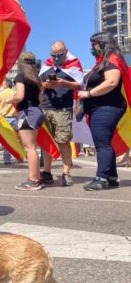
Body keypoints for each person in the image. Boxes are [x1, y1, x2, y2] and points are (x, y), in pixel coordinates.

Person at [78, 32, 129, 190]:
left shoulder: (111, 60)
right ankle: (111, 177)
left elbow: (112, 82)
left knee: (102, 144)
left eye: (94, 44)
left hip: (106, 107)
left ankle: (102, 178)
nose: (92, 48)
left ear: (102, 43)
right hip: (101, 107)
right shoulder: (104, 62)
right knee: (105, 143)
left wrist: (88, 93)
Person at [39, 41, 83, 186]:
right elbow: (38, 84)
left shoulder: (73, 65)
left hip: (63, 109)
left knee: (63, 141)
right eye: (53, 55)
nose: (56, 58)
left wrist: (64, 83)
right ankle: (47, 171)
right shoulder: (46, 66)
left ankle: (66, 172)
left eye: (59, 55)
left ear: (66, 52)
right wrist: (44, 85)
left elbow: (80, 85)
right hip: (46, 107)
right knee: (46, 142)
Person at [5, 52, 44, 191]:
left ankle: (33, 180)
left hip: (27, 112)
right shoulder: (37, 79)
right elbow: (40, 100)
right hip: (36, 111)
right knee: (32, 146)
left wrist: (10, 99)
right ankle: (37, 178)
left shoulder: (20, 76)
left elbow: (20, 96)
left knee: (29, 147)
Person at [0, 78, 18, 164]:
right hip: (13, 118)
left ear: (5, 85)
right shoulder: (15, 93)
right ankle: (7, 159)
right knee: (9, 140)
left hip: (1, 119)